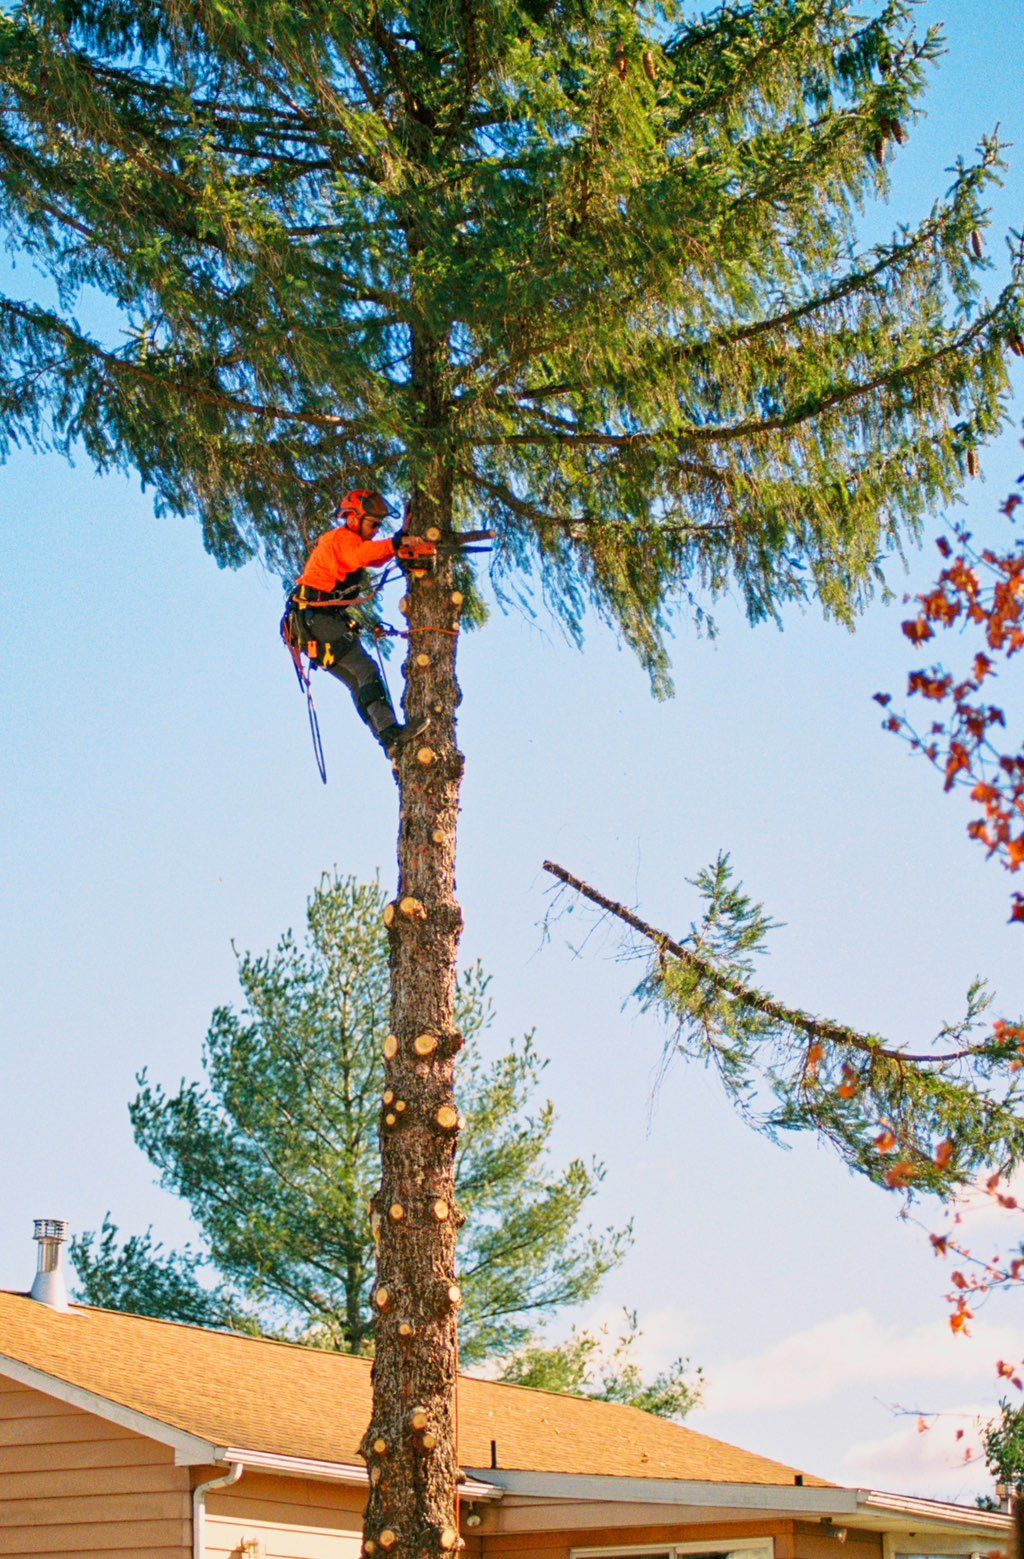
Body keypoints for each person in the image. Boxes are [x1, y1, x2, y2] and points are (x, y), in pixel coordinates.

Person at [291, 489, 435, 758]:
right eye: (373, 524)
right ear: (355, 519)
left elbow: (373, 556)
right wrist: (395, 543)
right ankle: (392, 733)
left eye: (379, 525)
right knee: (366, 670)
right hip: (316, 620)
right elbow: (362, 555)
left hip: (312, 624)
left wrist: (397, 545)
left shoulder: (349, 542)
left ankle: (388, 742)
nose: (376, 529)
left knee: (358, 683)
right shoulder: (343, 539)